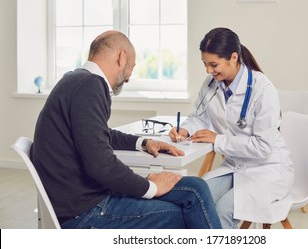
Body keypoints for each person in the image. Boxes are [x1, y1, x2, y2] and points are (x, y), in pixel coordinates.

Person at [30, 30, 221, 229]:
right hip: (85, 213)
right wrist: (151, 187)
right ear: (121, 57)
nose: (129, 76)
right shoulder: (90, 86)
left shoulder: (77, 80)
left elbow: (99, 135)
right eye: (132, 67)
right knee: (185, 212)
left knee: (196, 188)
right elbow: (100, 165)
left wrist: (144, 143)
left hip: (85, 198)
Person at [169, 27, 294, 228]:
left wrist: (217, 139)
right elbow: (198, 117)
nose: (209, 71)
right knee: (194, 199)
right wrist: (185, 129)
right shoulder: (211, 84)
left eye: (214, 64)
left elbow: (263, 147)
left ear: (233, 57)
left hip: (267, 169)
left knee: (222, 212)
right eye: (205, 64)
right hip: (234, 167)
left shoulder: (263, 89)